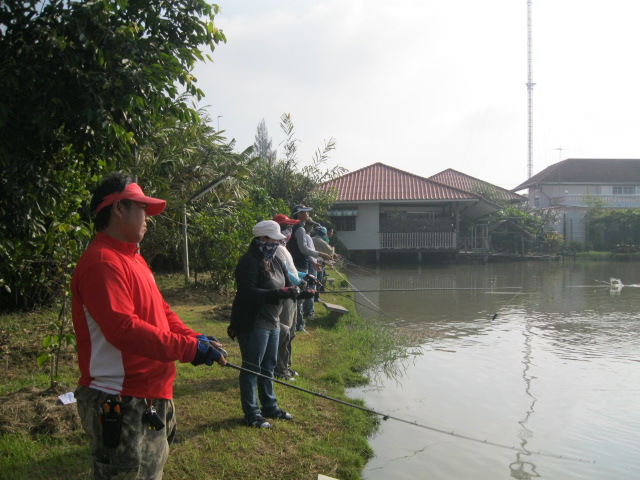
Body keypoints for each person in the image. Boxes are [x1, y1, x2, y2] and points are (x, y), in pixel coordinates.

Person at [71, 172, 227, 479]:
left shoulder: (133, 259)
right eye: (142, 208)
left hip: (149, 396)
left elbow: (161, 310)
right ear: (118, 208)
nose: (147, 217)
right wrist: (188, 349)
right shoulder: (102, 263)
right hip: (119, 400)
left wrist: (193, 337)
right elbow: (124, 329)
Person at [227, 220, 308, 428]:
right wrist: (277, 293)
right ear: (261, 239)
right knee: (252, 368)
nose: (277, 244)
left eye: (279, 241)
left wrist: (301, 292)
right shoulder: (248, 262)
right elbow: (247, 292)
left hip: (273, 322)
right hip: (254, 322)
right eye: (274, 240)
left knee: (269, 367)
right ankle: (251, 413)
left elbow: (288, 286)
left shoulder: (275, 260)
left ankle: (270, 407)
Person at [286, 205, 333, 332]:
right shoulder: (299, 229)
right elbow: (304, 249)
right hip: (299, 264)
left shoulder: (296, 227)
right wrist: (320, 254)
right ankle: (299, 326)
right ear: (299, 214)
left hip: (300, 263)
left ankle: (297, 324)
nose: (308, 214)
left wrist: (313, 262)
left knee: (298, 295)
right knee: (301, 295)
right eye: (305, 212)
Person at [271, 214, 307, 381]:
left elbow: (291, 269)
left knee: (291, 332)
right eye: (286, 226)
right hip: (285, 294)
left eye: (290, 226)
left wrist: (304, 275)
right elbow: (285, 273)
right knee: (284, 332)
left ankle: (287, 366)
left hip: (292, 293)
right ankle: (280, 369)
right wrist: (299, 281)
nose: (289, 230)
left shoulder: (283, 247)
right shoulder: (276, 248)